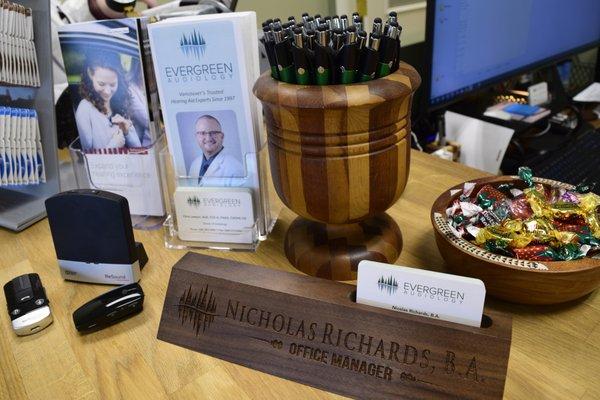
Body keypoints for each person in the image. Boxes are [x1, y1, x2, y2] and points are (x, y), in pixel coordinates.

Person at [75, 53, 141, 150]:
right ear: (90, 74)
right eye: (101, 84)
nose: (107, 91)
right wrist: (114, 145)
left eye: (113, 84)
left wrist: (127, 132)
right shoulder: (85, 109)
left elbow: (139, 150)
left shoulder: (120, 103)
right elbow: (86, 157)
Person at [188, 115, 244, 183]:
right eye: (202, 133)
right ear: (196, 137)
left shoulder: (235, 169)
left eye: (213, 133)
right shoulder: (194, 164)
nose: (208, 138)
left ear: (222, 136)